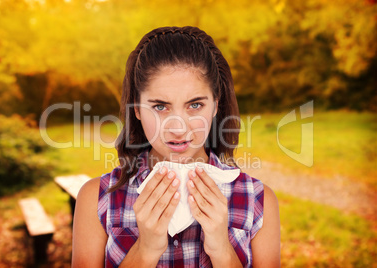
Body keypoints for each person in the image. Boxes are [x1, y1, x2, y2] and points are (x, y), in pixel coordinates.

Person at [72, 26, 280, 267]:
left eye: (195, 105)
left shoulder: (258, 200)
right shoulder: (97, 199)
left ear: (215, 105)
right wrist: (146, 249)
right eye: (160, 107)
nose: (178, 128)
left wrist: (222, 250)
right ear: (136, 108)